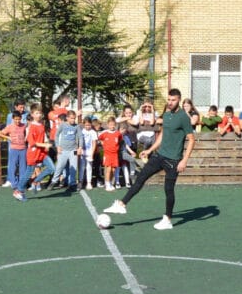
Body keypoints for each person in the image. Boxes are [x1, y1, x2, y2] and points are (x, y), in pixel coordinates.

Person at [103, 88, 196, 231]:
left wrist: (184, 160)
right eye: (169, 100)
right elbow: (162, 136)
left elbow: (191, 139)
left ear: (179, 100)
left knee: (168, 190)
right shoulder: (166, 115)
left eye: (173, 100)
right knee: (141, 177)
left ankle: (168, 220)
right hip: (160, 155)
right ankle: (121, 204)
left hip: (174, 160)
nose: (170, 102)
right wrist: (150, 150)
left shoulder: (183, 117)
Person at [24, 104, 54, 195]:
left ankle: (36, 182)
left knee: (50, 168)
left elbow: (44, 137)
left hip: (41, 152)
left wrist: (46, 144)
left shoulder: (41, 125)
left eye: (40, 113)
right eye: (37, 113)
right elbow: (31, 142)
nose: (39, 115)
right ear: (32, 115)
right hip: (33, 152)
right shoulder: (30, 127)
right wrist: (43, 144)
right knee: (31, 171)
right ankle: (21, 188)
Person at [49, 109, 81, 191]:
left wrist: (80, 147)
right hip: (63, 150)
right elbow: (56, 135)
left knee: (73, 167)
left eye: (74, 118)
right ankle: (53, 181)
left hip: (73, 150)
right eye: (71, 118)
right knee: (60, 166)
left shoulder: (77, 126)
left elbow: (80, 137)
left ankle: (73, 183)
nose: (73, 120)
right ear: (67, 118)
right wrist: (58, 146)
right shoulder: (62, 125)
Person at [0, 110, 27, 197]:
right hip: (14, 149)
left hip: (23, 149)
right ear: (13, 119)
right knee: (13, 167)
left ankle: (21, 184)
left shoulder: (24, 126)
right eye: (16, 119)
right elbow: (0, 133)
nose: (17, 121)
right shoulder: (10, 126)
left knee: (23, 167)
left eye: (19, 119)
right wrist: (8, 137)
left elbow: (26, 134)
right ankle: (14, 184)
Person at [97, 116, 122, 191]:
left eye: (113, 124)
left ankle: (110, 182)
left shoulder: (118, 133)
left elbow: (120, 140)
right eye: (110, 124)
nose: (112, 126)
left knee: (113, 170)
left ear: (115, 125)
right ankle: (107, 184)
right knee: (108, 169)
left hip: (115, 154)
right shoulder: (105, 133)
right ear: (108, 125)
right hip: (107, 154)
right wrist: (103, 144)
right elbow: (99, 138)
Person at [80, 116, 98, 190]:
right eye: (86, 125)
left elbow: (94, 143)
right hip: (82, 151)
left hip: (89, 152)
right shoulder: (81, 131)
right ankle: (80, 181)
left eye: (89, 125)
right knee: (81, 167)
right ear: (84, 124)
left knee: (89, 168)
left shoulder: (93, 132)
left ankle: (89, 182)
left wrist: (92, 153)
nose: (88, 126)